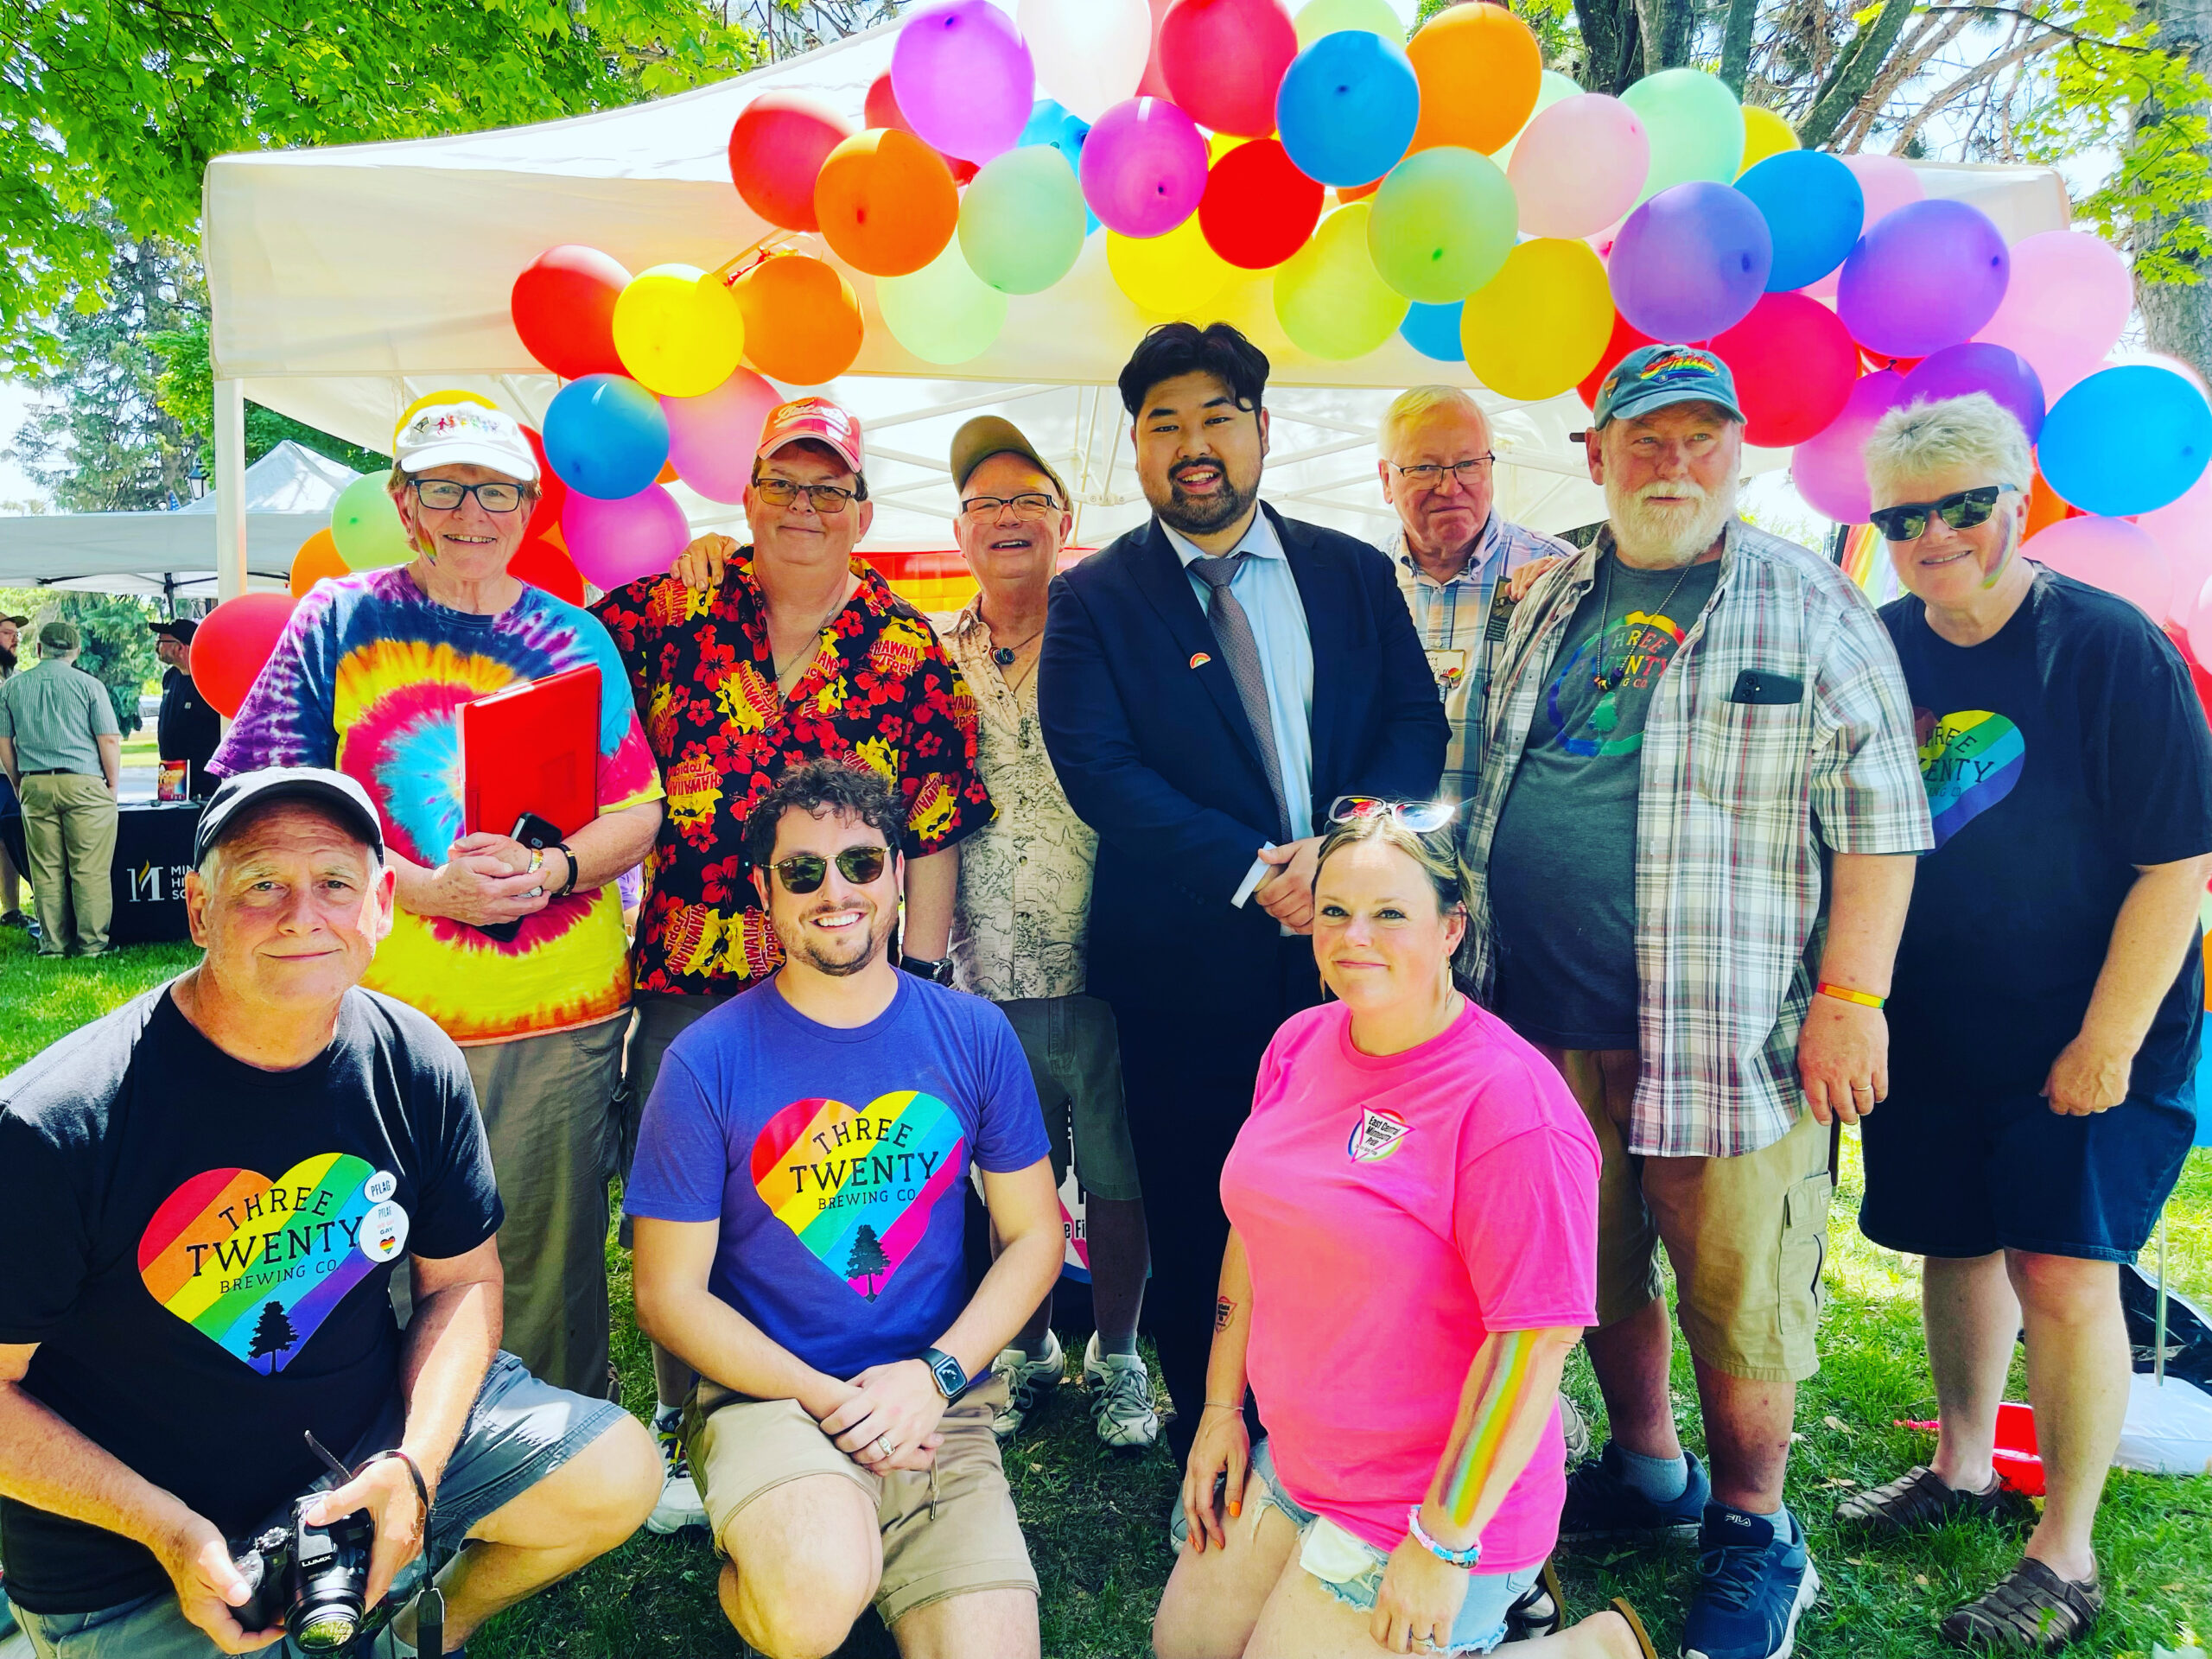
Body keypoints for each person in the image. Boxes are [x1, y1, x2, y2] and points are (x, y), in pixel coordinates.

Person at [1460, 344, 1933, 1659]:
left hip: (1737, 1037)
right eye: (1645, 440)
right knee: (1588, 1269)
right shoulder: (1540, 598)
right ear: (1595, 453)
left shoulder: (1812, 607)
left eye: (1700, 441)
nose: (1673, 465)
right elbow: (1474, 777)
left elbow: (1885, 822)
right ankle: (1652, 1469)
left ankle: (1752, 1528)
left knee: (1741, 1290)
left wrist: (1855, 994)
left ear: (1739, 454)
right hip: (1536, 1031)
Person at [0, 766, 660, 1659]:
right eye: (262, 884)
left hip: (358, 1458)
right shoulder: (60, 1121)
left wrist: (415, 1466)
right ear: (197, 910)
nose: (304, 915)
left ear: (382, 904)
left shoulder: (411, 1057)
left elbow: (462, 1280)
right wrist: (165, 1530)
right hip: (128, 1561)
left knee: (617, 1471)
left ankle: (422, 1634)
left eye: (336, 884)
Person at [1834, 394, 2212, 1650]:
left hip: (2092, 1027)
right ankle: (1962, 1468)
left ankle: (2067, 1555)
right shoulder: (1880, 643)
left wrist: (2105, 1041)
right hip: (1942, 1023)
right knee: (1957, 1242)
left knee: (2061, 1266)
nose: (1935, 534)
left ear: (2021, 502)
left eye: (1964, 506)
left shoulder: (2107, 646)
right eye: (1905, 516)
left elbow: (2177, 865)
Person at [1040, 321, 1448, 1463]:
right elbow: (1098, 770)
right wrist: (1253, 871)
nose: (1194, 445)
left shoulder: (1355, 573)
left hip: (1356, 949)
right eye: (1163, 424)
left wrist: (1337, 849)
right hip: (1183, 963)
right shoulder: (1097, 601)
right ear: (1138, 451)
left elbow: (1415, 724)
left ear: (1263, 430)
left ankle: (1346, 1415)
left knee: (1359, 1180)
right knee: (1203, 1190)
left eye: (1217, 416)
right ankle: (1215, 1436)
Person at [209, 393, 666, 1404]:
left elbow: (638, 810)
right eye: (446, 487)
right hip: (369, 1008)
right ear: (405, 504)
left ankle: (547, 1460)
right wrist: (419, 887)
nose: (473, 512)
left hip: (554, 1010)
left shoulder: (576, 637)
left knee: (547, 1244)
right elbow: (255, 797)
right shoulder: (338, 619)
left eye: (498, 490)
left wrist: (551, 873)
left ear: (529, 508)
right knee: (363, 1247)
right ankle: (381, 1458)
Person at [596, 397, 992, 1533]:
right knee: (684, 1212)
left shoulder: (909, 648)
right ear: (749, 495)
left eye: (831, 489)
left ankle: (852, 1402)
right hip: (694, 969)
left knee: (833, 1200)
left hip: (849, 989)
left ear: (862, 511)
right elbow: (547, 648)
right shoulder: (671, 611)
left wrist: (914, 983)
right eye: (786, 483)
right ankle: (688, 1423)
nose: (806, 508)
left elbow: (935, 825)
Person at [1153, 800, 1652, 1659]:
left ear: (1451, 928)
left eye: (1390, 914)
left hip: (1430, 1498)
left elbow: (1533, 1340)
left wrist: (1442, 1540)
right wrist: (1218, 1410)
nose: (1356, 938)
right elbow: (1254, 1228)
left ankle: (1580, 1649)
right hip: (1301, 1461)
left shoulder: (1509, 1104)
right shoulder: (1298, 1044)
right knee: (1185, 1649)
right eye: (1336, 911)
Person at [626, 759, 1061, 1659]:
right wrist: (833, 1402)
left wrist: (935, 1376)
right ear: (765, 890)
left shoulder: (973, 1033)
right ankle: (789, 1574)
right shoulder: (705, 1061)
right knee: (813, 1601)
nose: (837, 892)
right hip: (770, 1399)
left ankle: (854, 1558)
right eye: (803, 871)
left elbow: (1033, 1236)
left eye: (862, 864)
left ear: (900, 876)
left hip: (939, 1404)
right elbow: (668, 1297)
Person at [939, 415, 1157, 1448]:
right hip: (979, 973)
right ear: (960, 531)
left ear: (1064, 523)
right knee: (1007, 1179)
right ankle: (1023, 1352)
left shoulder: (1114, 634)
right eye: (987, 504)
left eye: (1028, 500)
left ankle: (1117, 1357)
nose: (1008, 518)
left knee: (1118, 1177)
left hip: (1108, 961)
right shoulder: (923, 653)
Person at [1376, 387, 1573, 805]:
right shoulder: (1359, 582)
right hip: (1389, 852)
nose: (1449, 487)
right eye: (1425, 468)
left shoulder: (1558, 574)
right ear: (1386, 480)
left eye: (1468, 464)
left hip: (1513, 852)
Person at [0, 620, 122, 957]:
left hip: (35, 782)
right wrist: (111, 785)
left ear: (39, 649)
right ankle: (92, 945)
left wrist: (18, 781)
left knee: (46, 870)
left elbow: (3, 742)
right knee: (90, 869)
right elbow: (108, 739)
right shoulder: (90, 685)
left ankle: (52, 945)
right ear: (77, 650)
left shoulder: (12, 688)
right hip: (84, 782)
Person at [148, 618, 221, 799]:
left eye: (162, 641)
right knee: (172, 818)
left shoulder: (209, 679)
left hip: (203, 775)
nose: (157, 646)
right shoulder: (170, 677)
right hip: (171, 770)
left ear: (180, 647)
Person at [0, 611, 29, 927]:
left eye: (16, 635)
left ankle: (10, 908)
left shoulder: (18, 678)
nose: (15, 640)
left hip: (13, 775)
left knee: (11, 839)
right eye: (8, 633)